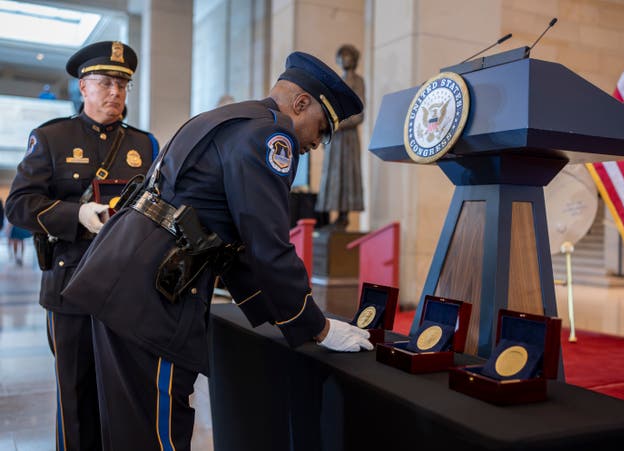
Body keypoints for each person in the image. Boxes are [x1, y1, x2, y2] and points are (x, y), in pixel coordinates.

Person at [61, 51, 372, 450]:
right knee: (158, 435)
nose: (317, 142)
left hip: (122, 283)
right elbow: (268, 245)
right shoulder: (270, 136)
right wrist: (319, 326)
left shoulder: (227, 119)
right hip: (154, 301)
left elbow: (230, 244)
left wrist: (291, 317)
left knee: (129, 430)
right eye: (323, 128)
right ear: (300, 103)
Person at [5, 41, 158, 451]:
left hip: (127, 291)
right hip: (70, 285)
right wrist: (75, 215)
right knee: (75, 394)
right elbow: (18, 206)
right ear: (82, 87)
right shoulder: (52, 138)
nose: (115, 93)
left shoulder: (145, 146)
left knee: (127, 394)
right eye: (106, 83)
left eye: (123, 86)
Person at [315, 44, 365, 228]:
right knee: (333, 175)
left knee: (346, 174)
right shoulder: (338, 82)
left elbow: (359, 115)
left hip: (348, 138)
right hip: (335, 138)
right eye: (342, 56)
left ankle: (344, 217)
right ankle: (335, 216)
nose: (345, 60)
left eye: (348, 56)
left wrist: (337, 124)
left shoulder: (357, 81)